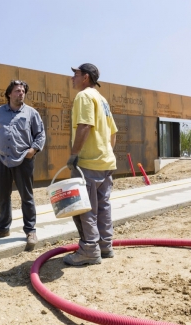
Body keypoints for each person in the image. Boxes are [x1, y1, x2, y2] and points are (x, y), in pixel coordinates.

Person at [0, 80, 46, 251]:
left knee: (27, 196)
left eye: (23, 91)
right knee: (3, 196)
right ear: (9, 94)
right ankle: (3, 228)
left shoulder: (31, 113)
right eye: (17, 91)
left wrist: (33, 150)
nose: (21, 93)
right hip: (1, 160)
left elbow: (40, 134)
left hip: (23, 160)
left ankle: (30, 231)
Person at [64, 63, 117, 266]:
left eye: (75, 74)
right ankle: (105, 246)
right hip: (105, 163)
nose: (72, 78)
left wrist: (74, 154)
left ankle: (89, 250)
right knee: (103, 206)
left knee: (84, 209)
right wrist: (107, 153)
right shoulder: (102, 100)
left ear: (85, 77)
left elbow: (84, 126)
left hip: (88, 163)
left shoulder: (84, 96)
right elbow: (113, 133)